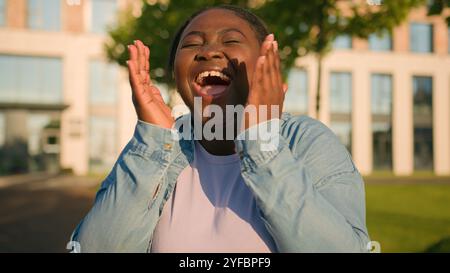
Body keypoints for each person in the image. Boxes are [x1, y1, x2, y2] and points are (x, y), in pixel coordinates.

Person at [69, 5, 370, 253]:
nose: (209, 52)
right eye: (192, 44)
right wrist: (152, 140)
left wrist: (263, 143)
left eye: (231, 40)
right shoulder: (157, 146)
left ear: (267, 64)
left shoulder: (306, 140)